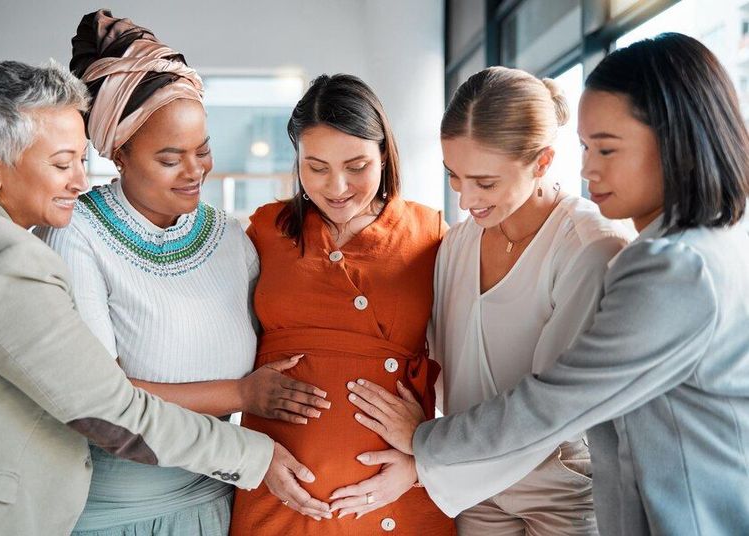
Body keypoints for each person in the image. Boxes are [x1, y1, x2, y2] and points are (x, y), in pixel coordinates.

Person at [347, 33, 749, 535]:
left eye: (605, 148)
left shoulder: (669, 266)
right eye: (584, 146)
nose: (586, 167)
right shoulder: (706, 245)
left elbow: (556, 402)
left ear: (674, 142)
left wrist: (426, 447)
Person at [0, 60, 319, 536]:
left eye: (78, 160)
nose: (78, 180)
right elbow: (112, 409)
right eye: (60, 163)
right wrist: (252, 452)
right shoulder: (7, 262)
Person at [34, 10, 331, 535]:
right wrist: (242, 395)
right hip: (117, 513)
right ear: (120, 154)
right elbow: (102, 399)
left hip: (218, 501)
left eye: (204, 149)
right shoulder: (76, 233)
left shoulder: (231, 240)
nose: (195, 171)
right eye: (170, 158)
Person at [345, 66, 632, 534]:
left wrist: (425, 455)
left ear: (541, 162)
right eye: (454, 176)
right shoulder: (458, 243)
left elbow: (550, 408)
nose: (465, 200)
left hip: (556, 484)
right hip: (468, 481)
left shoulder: (588, 247)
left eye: (486, 182)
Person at [229, 74, 455, 535]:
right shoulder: (264, 231)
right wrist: (250, 454)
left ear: (384, 154)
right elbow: (221, 344)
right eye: (316, 167)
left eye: (356, 165)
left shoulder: (430, 234)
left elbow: (470, 363)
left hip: (397, 499)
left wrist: (421, 459)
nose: (337, 187)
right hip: (276, 492)